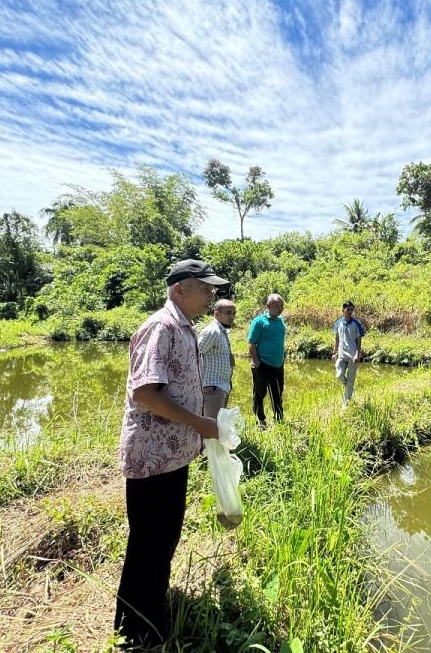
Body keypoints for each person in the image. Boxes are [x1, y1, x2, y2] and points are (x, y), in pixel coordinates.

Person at [114, 259, 228, 649]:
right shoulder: (160, 327)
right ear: (181, 290)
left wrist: (196, 430)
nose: (212, 294)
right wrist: (201, 423)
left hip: (174, 456)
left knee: (165, 538)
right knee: (147, 544)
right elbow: (145, 394)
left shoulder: (185, 328)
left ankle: (154, 606)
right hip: (152, 457)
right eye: (205, 288)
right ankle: (134, 631)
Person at [247, 293, 286, 425]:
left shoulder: (281, 321)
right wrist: (257, 362)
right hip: (263, 365)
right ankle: (260, 420)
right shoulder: (259, 321)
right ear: (268, 306)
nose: (280, 308)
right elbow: (251, 344)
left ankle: (279, 419)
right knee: (260, 394)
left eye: (282, 305)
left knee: (278, 393)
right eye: (277, 305)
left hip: (278, 365)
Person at [198, 299, 236, 419]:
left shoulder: (222, 331)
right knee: (212, 426)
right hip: (213, 387)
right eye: (228, 313)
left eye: (234, 313)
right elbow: (195, 354)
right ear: (217, 314)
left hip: (221, 386)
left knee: (218, 424)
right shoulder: (212, 331)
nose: (232, 317)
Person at [332, 301, 365, 409]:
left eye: (351, 310)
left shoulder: (357, 324)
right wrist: (334, 352)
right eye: (348, 310)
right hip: (341, 355)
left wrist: (357, 354)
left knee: (351, 380)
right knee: (339, 375)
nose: (350, 312)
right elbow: (336, 339)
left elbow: (359, 341)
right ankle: (349, 388)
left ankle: (346, 404)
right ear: (343, 310)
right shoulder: (338, 323)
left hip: (352, 356)